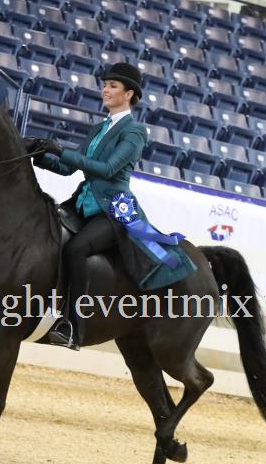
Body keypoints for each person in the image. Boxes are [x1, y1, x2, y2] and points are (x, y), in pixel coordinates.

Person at [28, 62, 196, 350]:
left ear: (128, 94)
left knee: (76, 249)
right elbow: (67, 169)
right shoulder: (99, 128)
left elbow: (107, 169)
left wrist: (62, 150)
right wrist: (39, 155)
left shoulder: (135, 131)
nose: (105, 90)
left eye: (113, 86)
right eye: (105, 85)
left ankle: (74, 327)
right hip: (83, 204)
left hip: (113, 210)